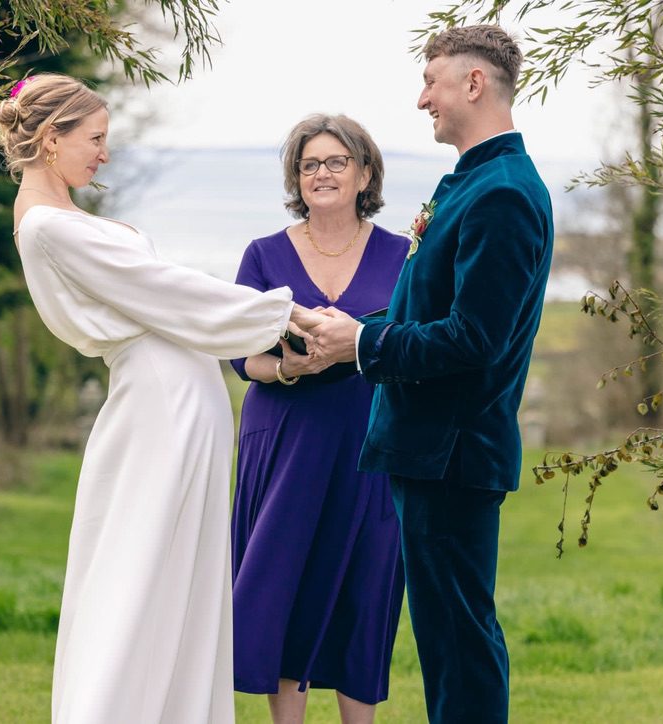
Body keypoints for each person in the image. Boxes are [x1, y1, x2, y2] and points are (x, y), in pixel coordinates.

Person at [0, 73, 325, 724]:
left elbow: (161, 293)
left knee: (178, 573)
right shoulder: (49, 229)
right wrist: (286, 314)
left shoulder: (61, 218)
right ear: (50, 139)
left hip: (176, 402)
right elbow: (165, 290)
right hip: (157, 410)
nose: (104, 153)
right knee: (137, 570)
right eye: (95, 138)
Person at [309, 26, 554, 723]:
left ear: (474, 84)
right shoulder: (477, 182)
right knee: (447, 640)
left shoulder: (502, 194)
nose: (423, 100)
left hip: (453, 452)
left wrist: (365, 344)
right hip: (432, 450)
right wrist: (343, 336)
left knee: (459, 643)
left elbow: (474, 339)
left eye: (432, 81)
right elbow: (434, 307)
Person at [228, 115, 406, 724]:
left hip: (370, 438)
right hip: (284, 439)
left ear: (364, 173)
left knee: (366, 582)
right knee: (286, 585)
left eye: (335, 162)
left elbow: (416, 344)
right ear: (296, 179)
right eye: (309, 165)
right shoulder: (264, 254)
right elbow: (237, 354)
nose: (321, 174)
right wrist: (289, 369)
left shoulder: (405, 255)